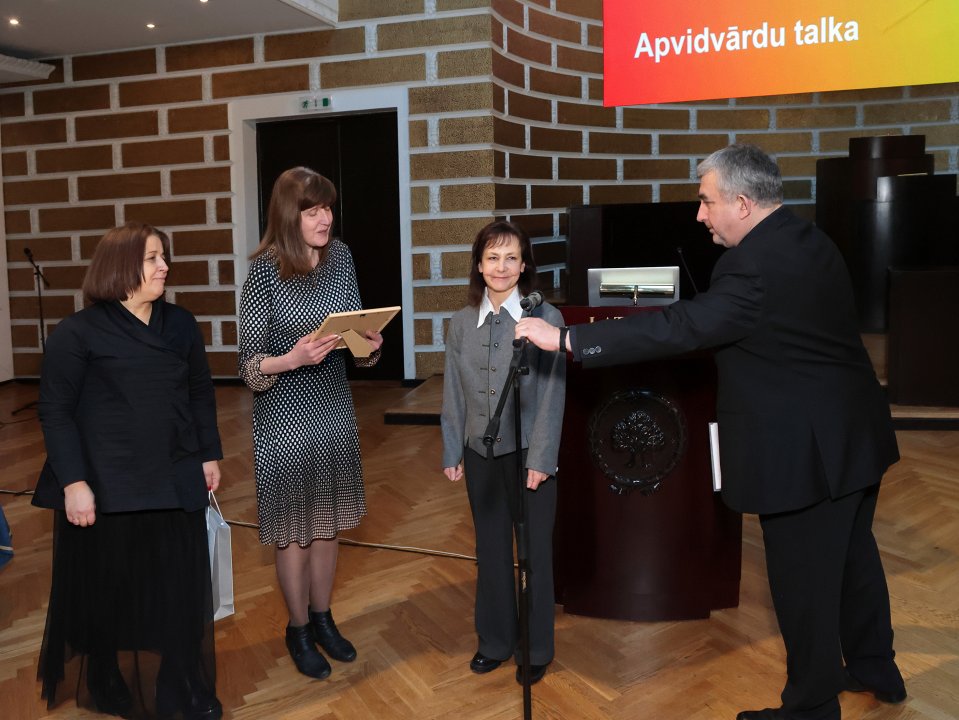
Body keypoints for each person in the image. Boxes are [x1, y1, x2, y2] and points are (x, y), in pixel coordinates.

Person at [516, 144, 905, 720]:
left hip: (806, 454)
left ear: (743, 203)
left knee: (803, 586)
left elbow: (685, 326)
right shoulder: (809, 238)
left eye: (707, 201)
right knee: (854, 563)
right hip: (854, 435)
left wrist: (571, 340)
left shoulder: (750, 265)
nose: (699, 215)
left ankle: (812, 707)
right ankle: (877, 669)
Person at [33, 222, 224, 719]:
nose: (165, 267)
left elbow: (201, 393)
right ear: (121, 268)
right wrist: (74, 484)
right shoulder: (75, 334)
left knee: (180, 590)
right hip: (107, 484)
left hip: (175, 474)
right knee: (110, 592)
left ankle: (178, 684)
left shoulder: (180, 323)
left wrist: (209, 454)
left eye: (164, 257)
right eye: (154, 259)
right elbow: (55, 411)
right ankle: (105, 674)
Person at [238, 167, 383, 680]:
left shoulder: (340, 256)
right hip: (283, 418)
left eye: (328, 208)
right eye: (313, 209)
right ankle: (297, 628)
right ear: (288, 214)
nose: (325, 218)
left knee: (328, 525)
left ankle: (323, 619)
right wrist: (291, 359)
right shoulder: (264, 271)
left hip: (333, 410)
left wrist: (367, 344)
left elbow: (355, 344)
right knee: (295, 531)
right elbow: (249, 368)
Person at [442, 220, 566, 685]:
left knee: (533, 552)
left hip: (530, 454)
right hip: (481, 453)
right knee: (490, 549)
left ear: (524, 265)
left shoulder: (545, 319)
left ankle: (535, 648)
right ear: (478, 264)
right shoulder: (459, 322)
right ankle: (494, 640)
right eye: (492, 257)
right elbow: (453, 390)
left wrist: (542, 458)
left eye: (511, 257)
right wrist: (453, 447)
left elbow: (553, 394)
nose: (501, 266)